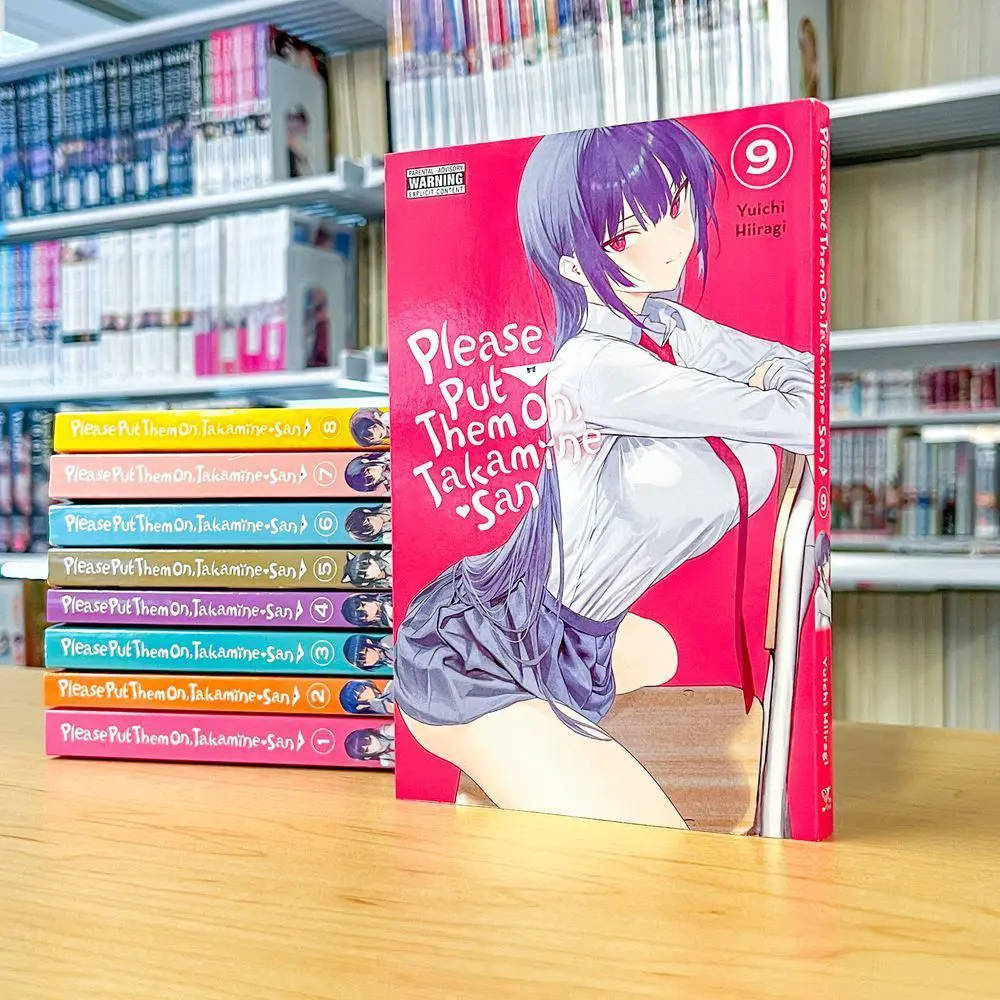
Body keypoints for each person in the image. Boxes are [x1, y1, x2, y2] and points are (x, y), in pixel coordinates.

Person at [394, 121, 816, 829]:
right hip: (481, 654)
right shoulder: (601, 368)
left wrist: (749, 360)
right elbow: (807, 413)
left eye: (676, 204)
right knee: (655, 845)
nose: (669, 239)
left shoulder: (667, 332)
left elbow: (810, 381)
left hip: (586, 636)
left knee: (663, 656)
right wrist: (761, 370)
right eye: (626, 234)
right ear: (571, 263)